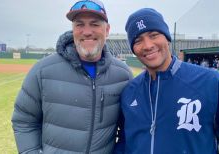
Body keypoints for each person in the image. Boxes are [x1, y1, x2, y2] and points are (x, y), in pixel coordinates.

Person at [115, 8, 219, 154]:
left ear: (167, 38)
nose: (148, 45)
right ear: (133, 48)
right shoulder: (129, 92)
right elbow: (126, 141)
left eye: (154, 35)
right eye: (138, 40)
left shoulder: (211, 82)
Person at [11, 0, 133, 153]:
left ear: (107, 30)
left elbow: (129, 129)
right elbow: (24, 120)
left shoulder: (123, 75)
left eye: (95, 24)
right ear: (73, 29)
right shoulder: (43, 70)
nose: (87, 31)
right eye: (79, 24)